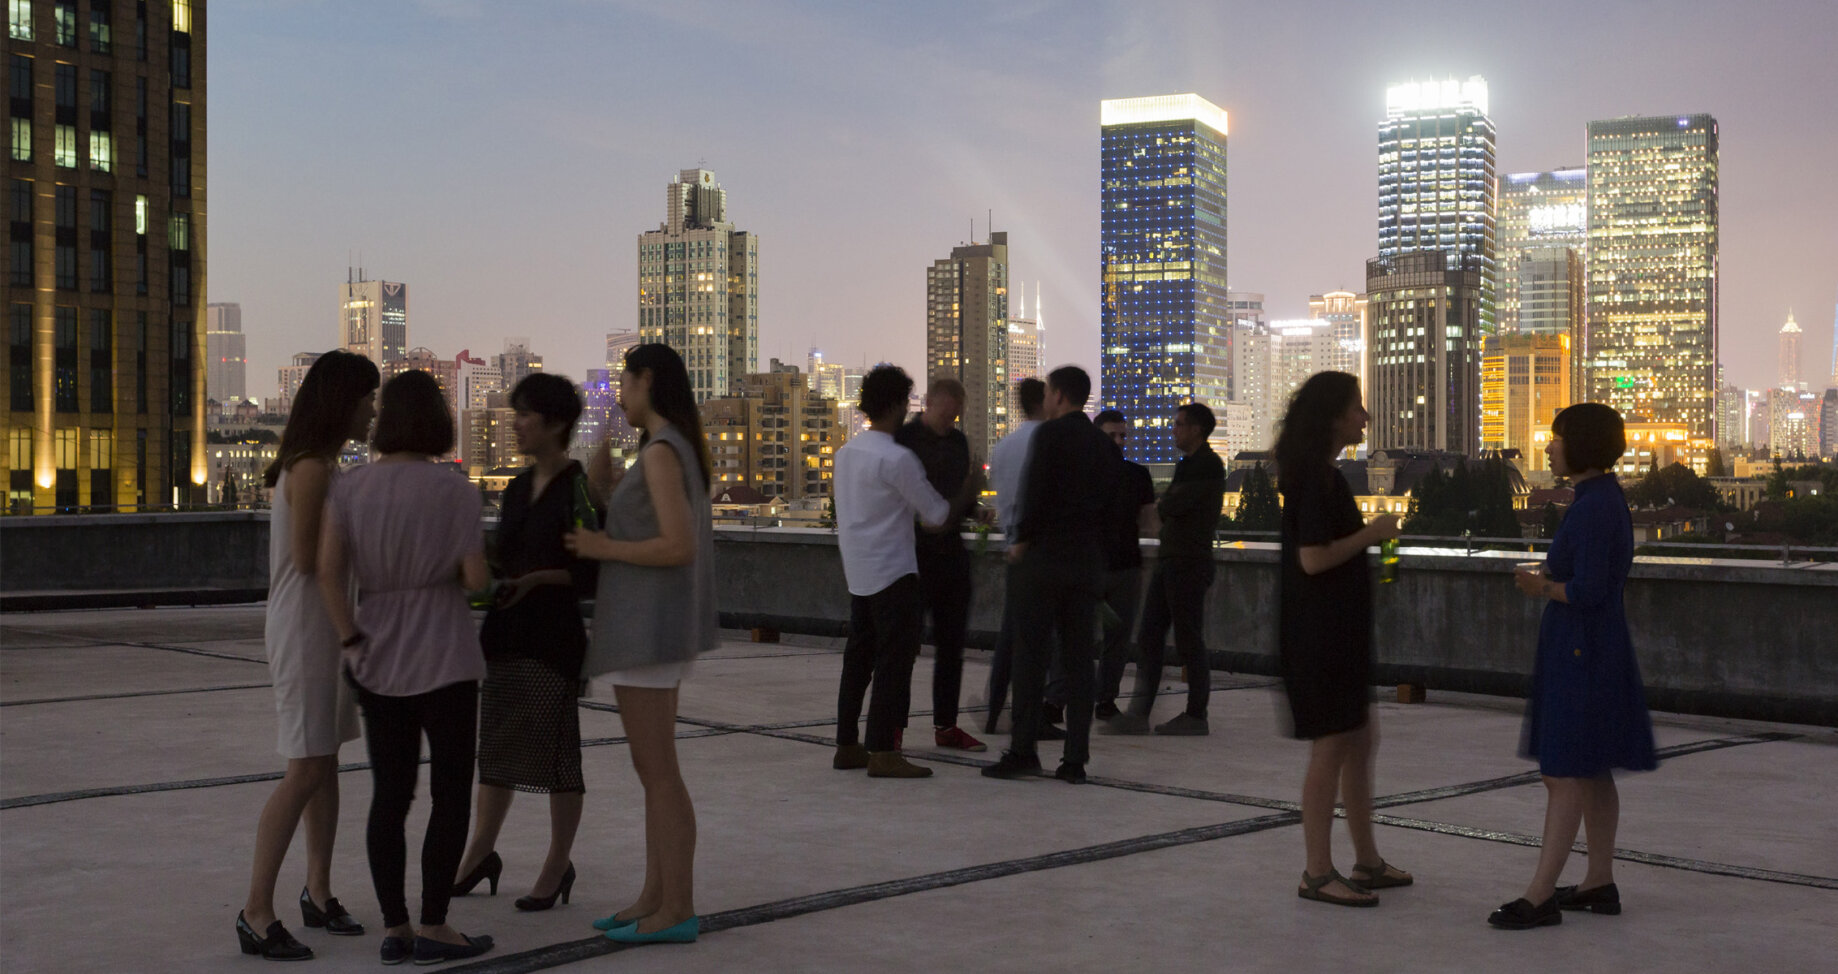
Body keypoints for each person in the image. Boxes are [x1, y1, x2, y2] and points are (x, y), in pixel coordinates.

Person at [319, 369, 495, 964]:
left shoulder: (350, 488)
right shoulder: (455, 490)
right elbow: (475, 580)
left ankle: (393, 926)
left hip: (376, 653)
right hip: (445, 654)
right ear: (437, 421)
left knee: (389, 797)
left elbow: (326, 572)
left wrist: (350, 640)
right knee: (449, 794)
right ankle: (434, 923)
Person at [564, 343, 716, 945]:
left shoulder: (659, 452)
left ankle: (675, 906)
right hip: (654, 627)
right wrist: (604, 496)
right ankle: (654, 897)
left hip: (649, 629)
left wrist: (603, 548)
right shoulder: (675, 447)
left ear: (646, 380)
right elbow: (657, 530)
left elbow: (678, 547)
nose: (619, 394)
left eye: (624, 383)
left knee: (659, 774)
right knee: (654, 771)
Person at [1490, 402, 1656, 930]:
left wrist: (1543, 586)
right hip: (1595, 645)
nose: (1549, 446)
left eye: (1558, 438)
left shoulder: (1592, 507)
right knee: (1592, 768)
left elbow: (1590, 589)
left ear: (1580, 444)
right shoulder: (1603, 500)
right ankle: (1598, 881)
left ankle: (1540, 896)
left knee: (1562, 772)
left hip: (1580, 648)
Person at [235, 349, 378, 962]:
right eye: (366, 399)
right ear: (340, 403)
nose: (372, 410)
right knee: (305, 769)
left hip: (320, 627)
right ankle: (255, 909)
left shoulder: (319, 464)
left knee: (324, 763)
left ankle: (317, 891)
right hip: (306, 629)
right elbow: (305, 558)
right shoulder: (313, 469)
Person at [451, 374, 598, 912]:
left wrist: (536, 580)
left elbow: (591, 572)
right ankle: (479, 853)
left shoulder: (577, 488)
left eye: (525, 415)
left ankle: (558, 863)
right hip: (507, 634)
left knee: (558, 756)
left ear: (556, 424)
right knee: (497, 750)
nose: (516, 424)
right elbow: (500, 559)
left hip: (552, 637)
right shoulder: (514, 488)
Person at [1275, 371, 1410, 908]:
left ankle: (1367, 861)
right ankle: (1316, 872)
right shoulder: (1315, 479)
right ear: (1333, 417)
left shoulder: (1320, 474)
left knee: (1358, 741)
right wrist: (1373, 533)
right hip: (1319, 635)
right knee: (1331, 748)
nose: (1366, 417)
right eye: (1357, 408)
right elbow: (1312, 558)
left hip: (1336, 631)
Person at [832, 365, 982, 779]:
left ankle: (847, 744)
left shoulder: (846, 454)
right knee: (894, 663)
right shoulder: (898, 458)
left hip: (858, 571)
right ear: (899, 403)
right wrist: (970, 487)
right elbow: (935, 515)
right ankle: (883, 751)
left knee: (857, 660)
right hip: (895, 573)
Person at [983, 365, 1118, 785]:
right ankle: (1075, 760)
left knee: (1031, 656)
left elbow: (1035, 492)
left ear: (1058, 395)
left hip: (1043, 562)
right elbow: (1115, 509)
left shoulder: (1049, 435)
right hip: (1086, 565)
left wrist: (1021, 540)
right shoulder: (1104, 446)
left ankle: (1024, 751)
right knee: (1080, 663)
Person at [1106, 402, 1225, 736]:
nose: (1174, 430)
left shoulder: (1204, 465)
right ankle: (1139, 713)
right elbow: (1168, 505)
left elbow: (1172, 504)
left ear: (1197, 429)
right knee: (1149, 636)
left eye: (1179, 425)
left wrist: (1165, 504)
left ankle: (1195, 715)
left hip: (1187, 562)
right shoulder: (1191, 464)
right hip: (1172, 560)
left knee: (1188, 640)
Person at [895, 377, 986, 752]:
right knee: (903, 648)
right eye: (946, 415)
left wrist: (975, 508)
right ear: (928, 403)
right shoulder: (903, 443)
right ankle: (893, 730)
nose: (951, 422)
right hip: (912, 558)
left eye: (955, 417)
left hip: (950, 556)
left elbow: (954, 504)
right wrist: (968, 493)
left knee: (952, 646)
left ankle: (945, 726)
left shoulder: (958, 442)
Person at [982, 378, 1046, 734]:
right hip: (1040, 549)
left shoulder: (1004, 446)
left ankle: (994, 710)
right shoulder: (1046, 440)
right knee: (1039, 642)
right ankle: (1032, 716)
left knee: (1009, 638)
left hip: (1012, 545)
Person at [1092, 410, 1158, 720]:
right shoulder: (1081, 473)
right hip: (1090, 568)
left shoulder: (1138, 474)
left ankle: (1105, 699)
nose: (1119, 441)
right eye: (1112, 436)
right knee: (1075, 636)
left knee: (1117, 639)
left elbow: (1149, 523)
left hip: (1125, 567)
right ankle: (1058, 698)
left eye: (1123, 435)